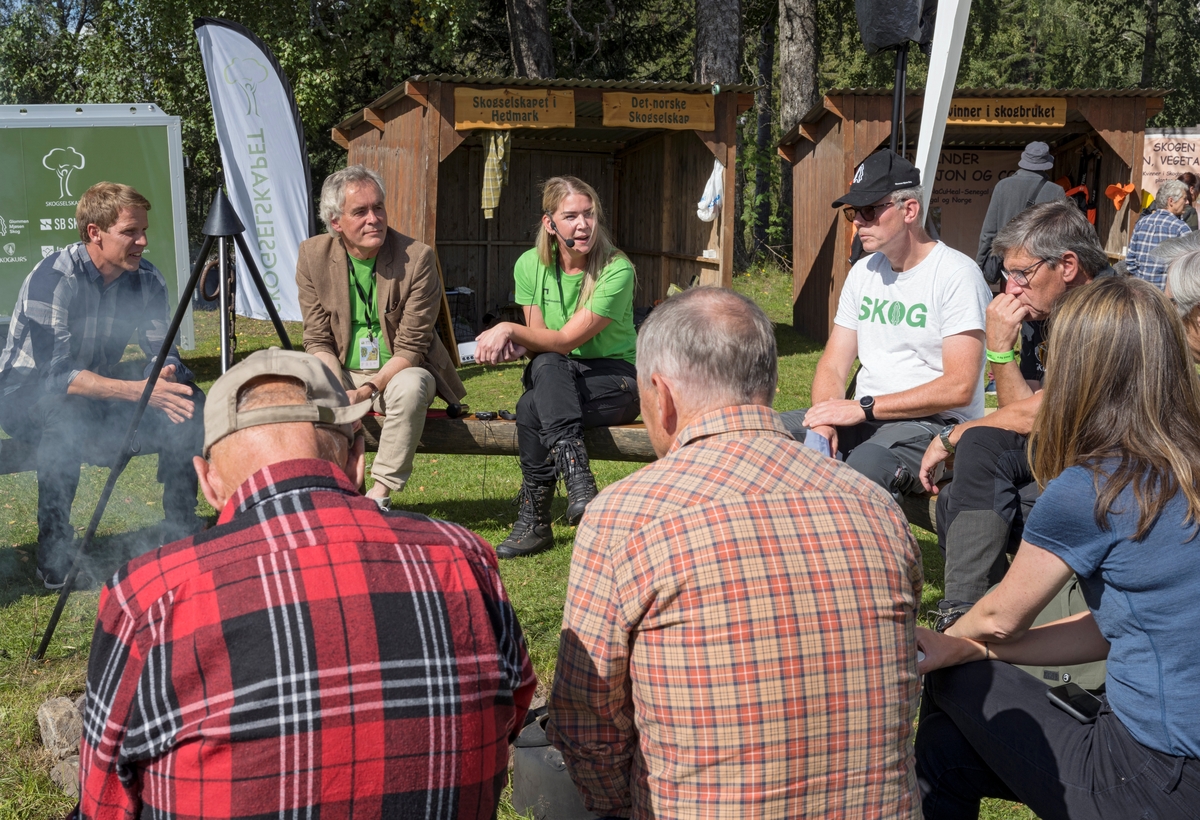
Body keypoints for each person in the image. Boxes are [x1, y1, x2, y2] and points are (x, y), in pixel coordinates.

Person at [76, 348, 536, 818]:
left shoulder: (149, 596)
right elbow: (515, 709)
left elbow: (104, 802)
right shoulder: (465, 557)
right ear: (358, 460)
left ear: (208, 483)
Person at [549, 287, 924, 819]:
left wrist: (622, 805)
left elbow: (586, 722)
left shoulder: (627, 517)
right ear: (767, 382)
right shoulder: (876, 507)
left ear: (661, 395)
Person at [914, 276, 1200, 819]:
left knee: (949, 677)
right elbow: (1118, 627)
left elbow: (998, 619)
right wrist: (979, 646)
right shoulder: (1186, 465)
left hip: (1152, 775)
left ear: (1076, 371)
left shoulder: (1097, 486)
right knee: (944, 754)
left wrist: (952, 641)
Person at [918, 201, 1116, 631]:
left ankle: (970, 622)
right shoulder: (1042, 309)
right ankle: (975, 615)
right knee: (966, 481)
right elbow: (1017, 411)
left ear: (1067, 265)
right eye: (1007, 274)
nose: (1011, 288)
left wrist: (953, 433)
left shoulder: (1107, 309)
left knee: (969, 467)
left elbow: (1042, 414)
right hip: (1064, 451)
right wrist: (1002, 348)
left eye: (1021, 273)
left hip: (1110, 468)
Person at [0, 182, 204, 589]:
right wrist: (140, 392)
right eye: (131, 232)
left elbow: (161, 349)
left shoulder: (146, 279)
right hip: (24, 396)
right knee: (66, 415)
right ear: (95, 232)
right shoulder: (53, 278)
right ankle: (54, 550)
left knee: (188, 398)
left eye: (144, 231)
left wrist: (164, 371)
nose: (143, 241)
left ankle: (180, 524)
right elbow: (55, 376)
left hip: (93, 388)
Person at [779, 150, 991, 500]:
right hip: (863, 417)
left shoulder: (957, 275)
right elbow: (833, 363)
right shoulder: (864, 271)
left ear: (909, 210)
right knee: (762, 437)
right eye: (853, 212)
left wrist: (863, 407)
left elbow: (960, 387)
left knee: (864, 469)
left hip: (933, 426)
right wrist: (823, 420)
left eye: (869, 210)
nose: (857, 222)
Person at [474, 176, 639, 559]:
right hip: (559, 375)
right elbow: (543, 342)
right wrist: (524, 343)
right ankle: (578, 480)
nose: (583, 225)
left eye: (589, 214)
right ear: (549, 223)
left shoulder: (617, 269)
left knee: (532, 405)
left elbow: (563, 340)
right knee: (546, 369)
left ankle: (534, 519)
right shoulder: (529, 265)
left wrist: (510, 328)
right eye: (571, 217)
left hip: (615, 379)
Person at [295, 164, 466, 510]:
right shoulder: (312, 256)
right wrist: (335, 387)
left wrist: (368, 389)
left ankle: (380, 493)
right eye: (360, 211)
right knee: (304, 386)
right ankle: (328, 491)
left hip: (397, 372)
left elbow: (412, 347)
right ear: (335, 222)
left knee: (413, 385)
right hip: (341, 370)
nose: (374, 218)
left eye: (378, 207)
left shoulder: (417, 258)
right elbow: (318, 339)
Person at [975, 141, 1067, 283]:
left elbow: (989, 233)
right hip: (1041, 266)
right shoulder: (1055, 191)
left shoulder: (1002, 186)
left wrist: (980, 266)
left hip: (1009, 265)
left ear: (1024, 160)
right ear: (1046, 164)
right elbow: (1060, 236)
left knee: (1011, 302)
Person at [1126, 178, 1192, 288]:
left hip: (1140, 292)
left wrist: (1140, 282)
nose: (1187, 202)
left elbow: (1130, 261)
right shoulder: (1181, 228)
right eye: (1184, 199)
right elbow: (1189, 267)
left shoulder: (1142, 222)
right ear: (1171, 201)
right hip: (1165, 298)